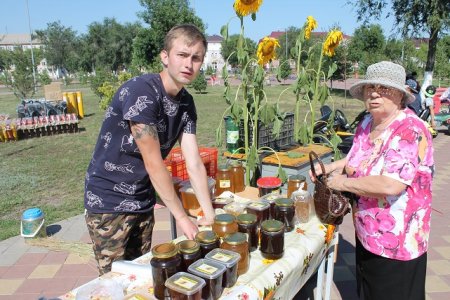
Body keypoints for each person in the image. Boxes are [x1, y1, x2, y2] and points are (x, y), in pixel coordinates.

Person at [84, 24, 215, 275]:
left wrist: (209, 215)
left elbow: (194, 162)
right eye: (182, 55)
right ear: (164, 57)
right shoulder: (141, 91)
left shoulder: (186, 103)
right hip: (108, 201)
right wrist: (182, 218)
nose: (189, 64)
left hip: (143, 199)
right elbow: (154, 164)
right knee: (114, 280)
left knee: (141, 275)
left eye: (196, 58)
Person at [310, 61, 434, 300]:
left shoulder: (409, 129)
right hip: (367, 232)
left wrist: (340, 183)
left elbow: (390, 185)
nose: (375, 93)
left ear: (400, 95)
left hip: (398, 241)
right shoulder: (368, 122)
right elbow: (357, 159)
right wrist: (329, 167)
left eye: (384, 88)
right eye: (370, 88)